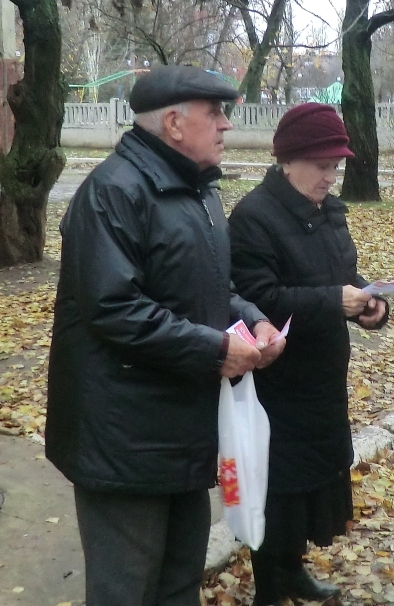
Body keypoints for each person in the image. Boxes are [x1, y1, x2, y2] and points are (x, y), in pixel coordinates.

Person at [46, 66, 286, 606]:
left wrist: (253, 322)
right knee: (125, 589)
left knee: (179, 580)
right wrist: (215, 349)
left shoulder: (199, 191)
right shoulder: (111, 193)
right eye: (215, 113)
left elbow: (209, 287)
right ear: (175, 123)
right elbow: (115, 309)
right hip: (124, 441)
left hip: (180, 427)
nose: (227, 125)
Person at [228, 103, 389, 606]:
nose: (331, 175)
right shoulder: (255, 217)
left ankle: (293, 571)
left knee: (311, 487)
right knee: (279, 491)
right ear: (288, 160)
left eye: (336, 165)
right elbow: (260, 296)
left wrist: (371, 304)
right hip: (279, 381)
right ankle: (269, 589)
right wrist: (333, 301)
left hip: (323, 375)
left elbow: (344, 274)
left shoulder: (329, 211)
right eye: (322, 165)